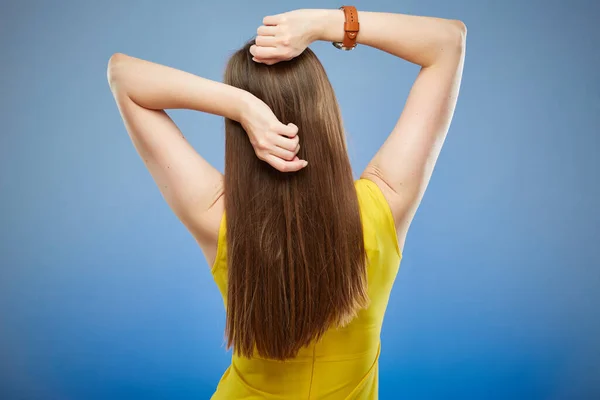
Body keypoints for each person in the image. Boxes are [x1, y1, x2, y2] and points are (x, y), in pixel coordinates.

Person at [107, 6, 466, 399]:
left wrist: (241, 106)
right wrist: (325, 23)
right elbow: (448, 43)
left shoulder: (219, 217)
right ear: (324, 112)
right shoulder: (384, 205)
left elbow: (123, 75)